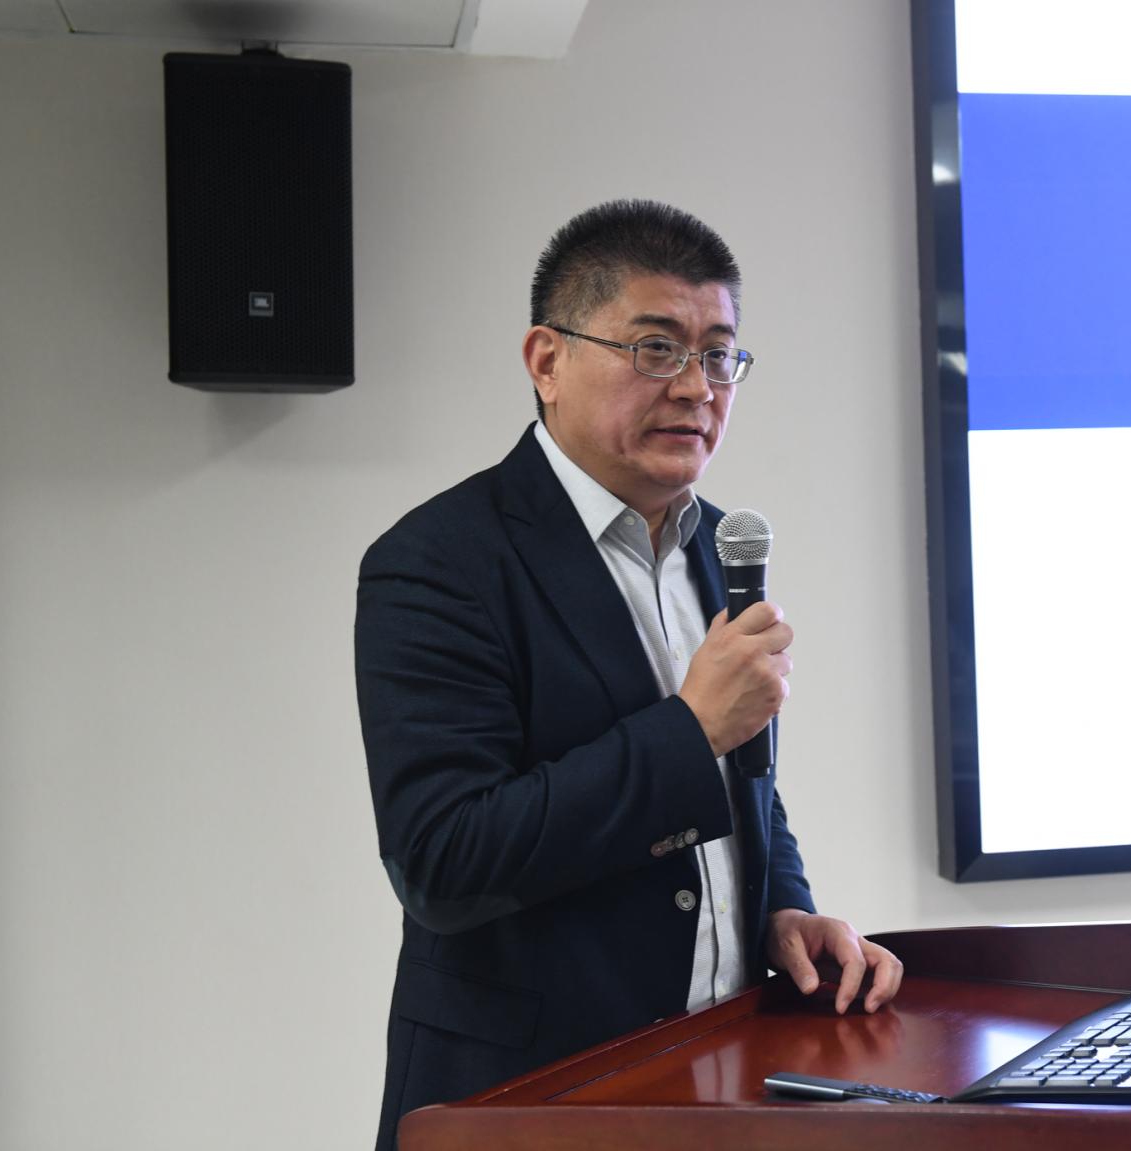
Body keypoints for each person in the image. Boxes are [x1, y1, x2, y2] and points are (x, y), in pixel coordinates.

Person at [354, 199, 903, 1150]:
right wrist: (690, 729)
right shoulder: (438, 561)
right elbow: (444, 859)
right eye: (656, 348)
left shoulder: (716, 545)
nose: (697, 387)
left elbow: (745, 781)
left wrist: (784, 907)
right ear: (547, 360)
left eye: (719, 355)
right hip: (531, 1097)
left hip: (721, 1076)